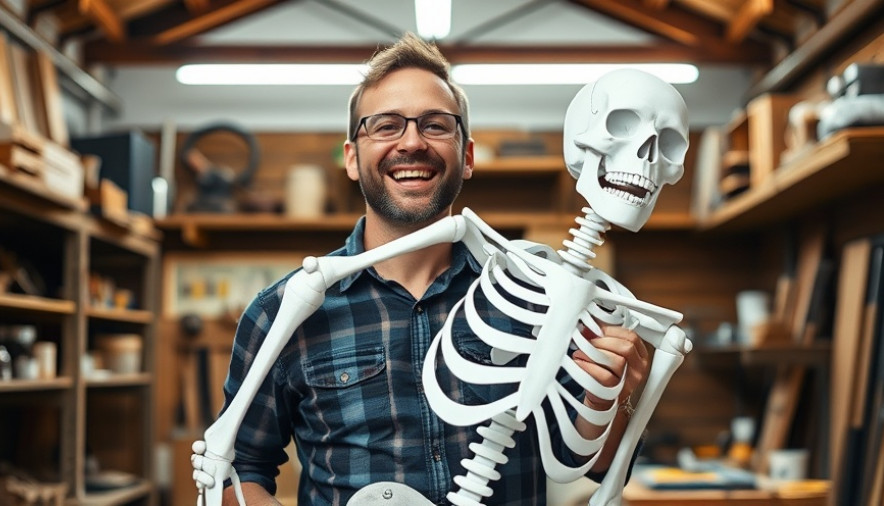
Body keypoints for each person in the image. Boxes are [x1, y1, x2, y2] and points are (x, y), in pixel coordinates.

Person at [202, 32, 650, 506]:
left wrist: (616, 396)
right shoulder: (283, 312)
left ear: (467, 156)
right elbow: (237, 469)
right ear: (352, 158)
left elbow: (594, 465)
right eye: (386, 126)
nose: (412, 142)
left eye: (436, 125)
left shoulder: (538, 297)